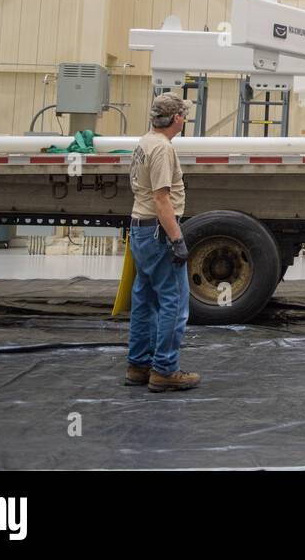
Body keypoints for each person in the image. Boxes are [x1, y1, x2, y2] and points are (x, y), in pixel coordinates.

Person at [125, 93, 201, 393]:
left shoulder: (145, 142)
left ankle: (138, 365)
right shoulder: (162, 148)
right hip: (158, 233)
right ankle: (165, 370)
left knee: (144, 300)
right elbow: (161, 198)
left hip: (141, 229)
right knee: (174, 301)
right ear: (177, 118)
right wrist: (177, 238)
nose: (185, 119)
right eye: (184, 114)